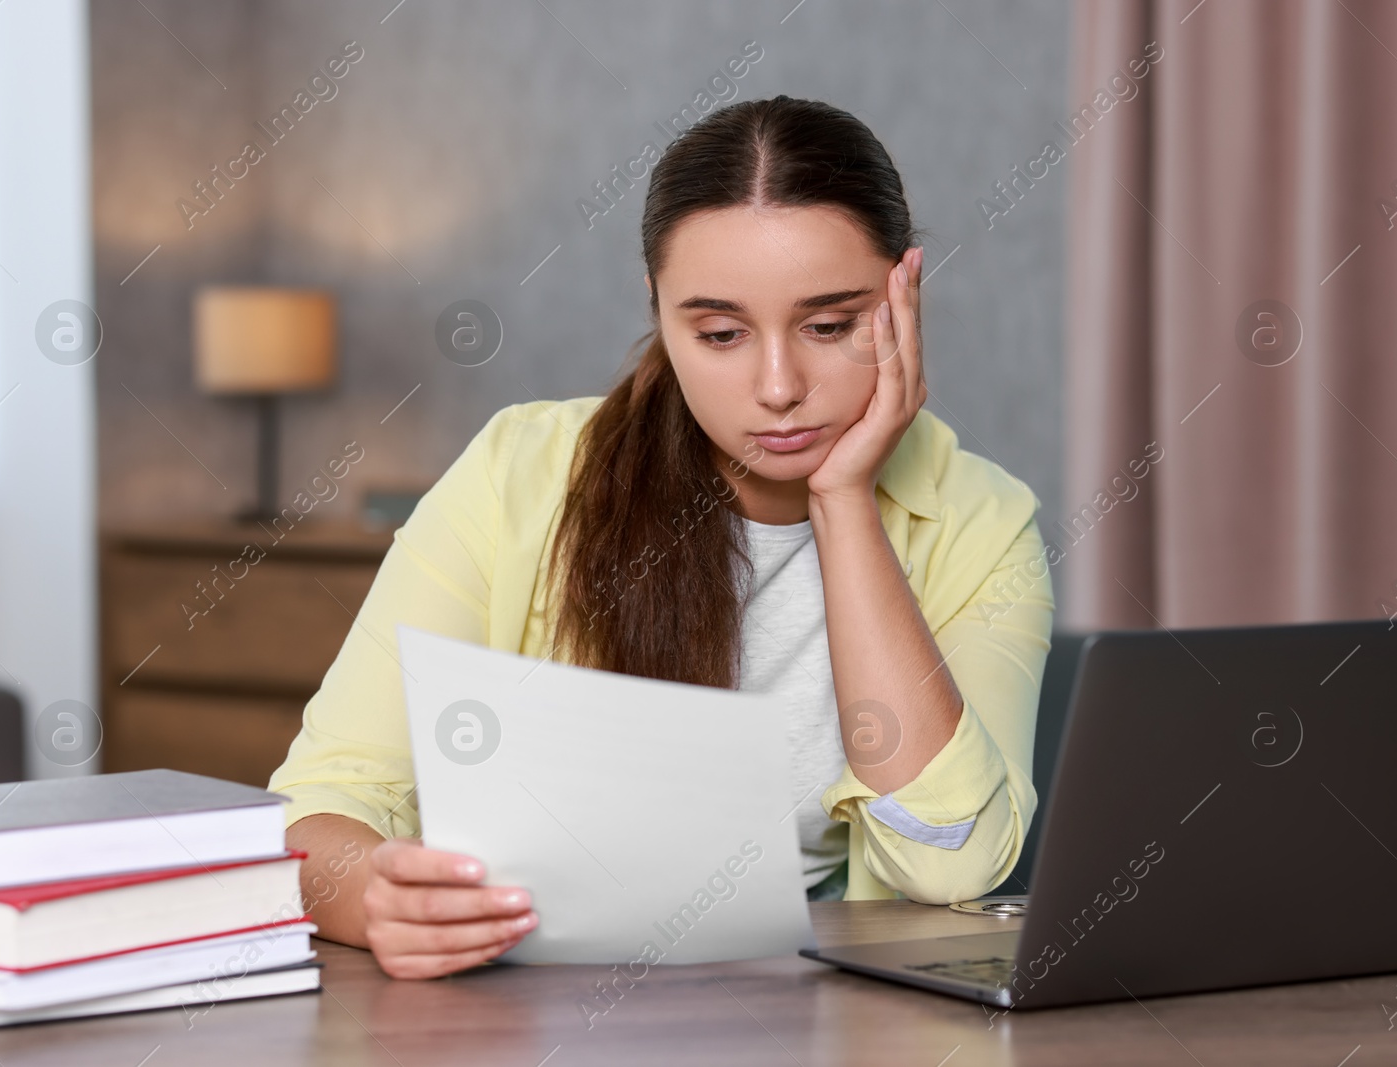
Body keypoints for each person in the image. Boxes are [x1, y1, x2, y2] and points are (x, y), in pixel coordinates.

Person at [267, 95, 1055, 979]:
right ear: (659, 309)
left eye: (831, 326)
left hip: (824, 1012)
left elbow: (952, 865)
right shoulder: (516, 473)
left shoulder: (984, 520)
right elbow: (321, 805)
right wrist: (373, 894)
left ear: (904, 298)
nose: (778, 385)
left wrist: (844, 501)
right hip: (538, 1005)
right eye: (719, 333)